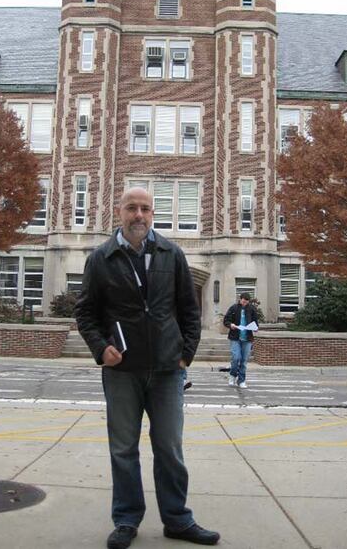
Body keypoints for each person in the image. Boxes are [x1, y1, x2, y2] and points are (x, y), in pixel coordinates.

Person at [75, 187, 220, 549]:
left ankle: (177, 519)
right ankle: (126, 519)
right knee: (123, 449)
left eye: (145, 209)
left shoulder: (172, 254)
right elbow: (85, 313)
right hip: (122, 371)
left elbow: (189, 310)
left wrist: (186, 353)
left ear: (153, 214)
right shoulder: (101, 259)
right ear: (119, 212)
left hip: (168, 372)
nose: (138, 215)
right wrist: (100, 348)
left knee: (169, 448)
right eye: (131, 208)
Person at [223, 292, 258, 389]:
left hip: (247, 338)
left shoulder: (252, 309)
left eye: (247, 301)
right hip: (235, 337)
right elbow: (226, 320)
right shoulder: (234, 308)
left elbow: (255, 322)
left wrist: (255, 328)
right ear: (240, 299)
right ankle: (232, 376)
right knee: (236, 358)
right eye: (243, 301)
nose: (245, 303)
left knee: (244, 360)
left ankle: (241, 380)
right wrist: (231, 325)